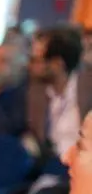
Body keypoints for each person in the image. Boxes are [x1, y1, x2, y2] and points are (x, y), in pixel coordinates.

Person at [25, 27, 92, 166]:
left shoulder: (88, 87)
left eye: (36, 60)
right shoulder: (35, 90)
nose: (29, 65)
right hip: (51, 167)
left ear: (57, 64)